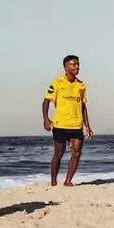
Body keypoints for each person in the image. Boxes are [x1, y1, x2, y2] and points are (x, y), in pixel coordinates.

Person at [42, 55, 93, 186]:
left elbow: (83, 106)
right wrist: (46, 119)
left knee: (76, 153)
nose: (77, 67)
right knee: (59, 153)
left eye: (78, 64)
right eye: (73, 64)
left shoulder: (81, 85)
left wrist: (88, 126)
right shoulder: (57, 83)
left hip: (76, 125)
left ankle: (68, 181)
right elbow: (46, 101)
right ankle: (53, 181)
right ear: (66, 67)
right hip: (60, 124)